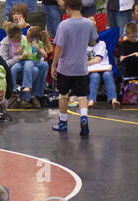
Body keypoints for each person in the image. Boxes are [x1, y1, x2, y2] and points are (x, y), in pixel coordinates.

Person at [49, 0, 97, 136]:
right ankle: (83, 117)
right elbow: (93, 41)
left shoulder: (64, 25)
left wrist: (54, 64)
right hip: (81, 67)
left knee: (63, 95)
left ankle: (63, 122)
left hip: (66, 67)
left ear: (68, 7)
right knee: (82, 95)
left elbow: (59, 46)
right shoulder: (88, 23)